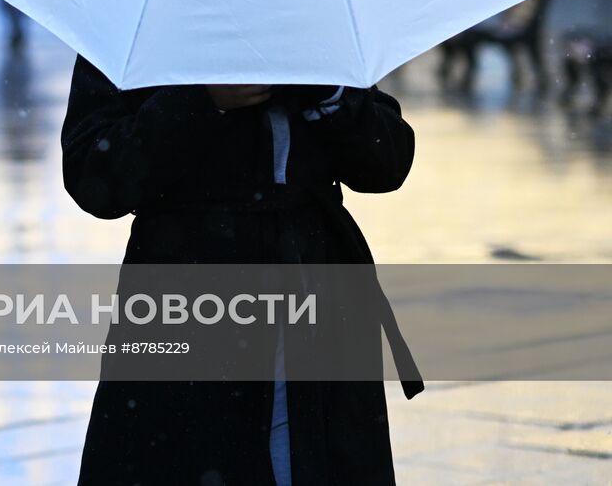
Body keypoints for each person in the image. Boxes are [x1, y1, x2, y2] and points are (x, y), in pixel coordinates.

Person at [61, 63, 417, 485]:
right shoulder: (140, 24)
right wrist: (199, 101)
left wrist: (329, 93)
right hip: (187, 298)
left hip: (319, 293)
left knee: (316, 454)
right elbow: (93, 173)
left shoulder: (309, 26)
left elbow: (388, 162)